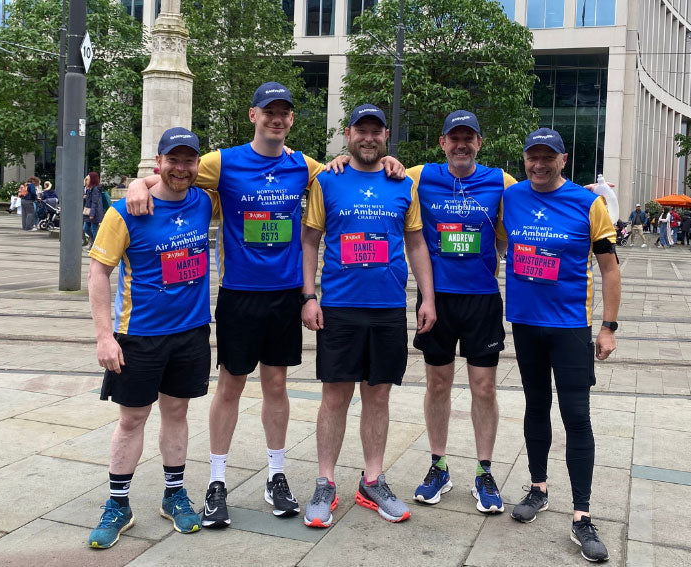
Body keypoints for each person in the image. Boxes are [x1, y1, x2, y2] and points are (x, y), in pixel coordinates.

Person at [126, 82, 403, 528]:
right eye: (268, 111)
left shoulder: (304, 166)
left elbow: (354, 167)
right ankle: (217, 481)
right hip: (239, 294)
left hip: (285, 295)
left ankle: (276, 475)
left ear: (291, 120)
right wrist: (139, 182)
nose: (277, 119)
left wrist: (388, 160)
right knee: (230, 387)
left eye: (284, 113)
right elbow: (177, 172)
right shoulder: (223, 161)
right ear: (253, 115)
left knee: (277, 387)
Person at [300, 104, 436, 528]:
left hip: (388, 307)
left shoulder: (403, 182)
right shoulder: (328, 180)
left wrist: (427, 299)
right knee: (335, 396)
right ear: (349, 134)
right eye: (362, 130)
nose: (369, 138)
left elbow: (416, 244)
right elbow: (310, 240)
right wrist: (309, 296)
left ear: (385, 136)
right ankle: (325, 482)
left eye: (377, 131)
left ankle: (372, 480)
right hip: (340, 306)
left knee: (378, 395)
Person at [86, 127, 211, 549]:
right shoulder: (124, 211)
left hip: (190, 332)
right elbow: (98, 273)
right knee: (132, 419)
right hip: (139, 336)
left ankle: (174, 495)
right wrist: (104, 337)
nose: (181, 168)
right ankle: (118, 504)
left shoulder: (204, 200)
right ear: (158, 162)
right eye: (173, 160)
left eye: (189, 160)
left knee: (177, 413)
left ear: (197, 164)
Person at [502, 128, 619, 563]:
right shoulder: (510, 196)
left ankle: (582, 515)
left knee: (576, 416)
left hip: (570, 326)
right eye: (532, 156)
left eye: (547, 157)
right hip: (526, 323)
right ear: (525, 159)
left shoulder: (588, 204)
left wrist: (608, 327)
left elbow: (610, 269)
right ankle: (538, 488)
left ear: (563, 160)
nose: (539, 164)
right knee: (535, 406)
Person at [401, 111, 515, 514]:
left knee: (484, 388)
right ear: (443, 142)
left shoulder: (500, 181)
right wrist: (345, 159)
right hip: (436, 299)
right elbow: (377, 170)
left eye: (469, 138)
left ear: (479, 143)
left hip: (481, 299)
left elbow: (537, 197)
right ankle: (439, 466)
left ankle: (484, 471)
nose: (461, 144)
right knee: (438, 384)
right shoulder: (420, 175)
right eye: (455, 138)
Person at [83, 172, 104, 249]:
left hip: (94, 212)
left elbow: (94, 202)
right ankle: (94, 241)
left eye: (88, 179)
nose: (86, 180)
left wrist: (92, 214)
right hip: (90, 211)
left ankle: (96, 244)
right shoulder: (90, 189)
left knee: (94, 228)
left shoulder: (95, 189)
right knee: (86, 228)